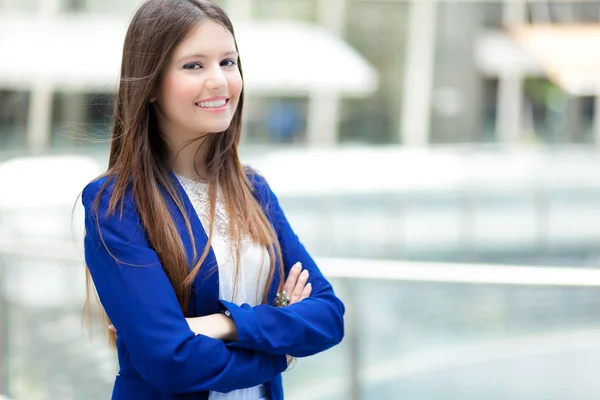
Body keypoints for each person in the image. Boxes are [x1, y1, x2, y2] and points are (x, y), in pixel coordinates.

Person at [80, 1, 345, 399]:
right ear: (149, 85)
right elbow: (172, 361)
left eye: (228, 62)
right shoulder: (116, 204)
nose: (220, 81)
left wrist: (224, 324)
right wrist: (283, 350)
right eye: (194, 65)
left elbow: (328, 315)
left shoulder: (252, 189)